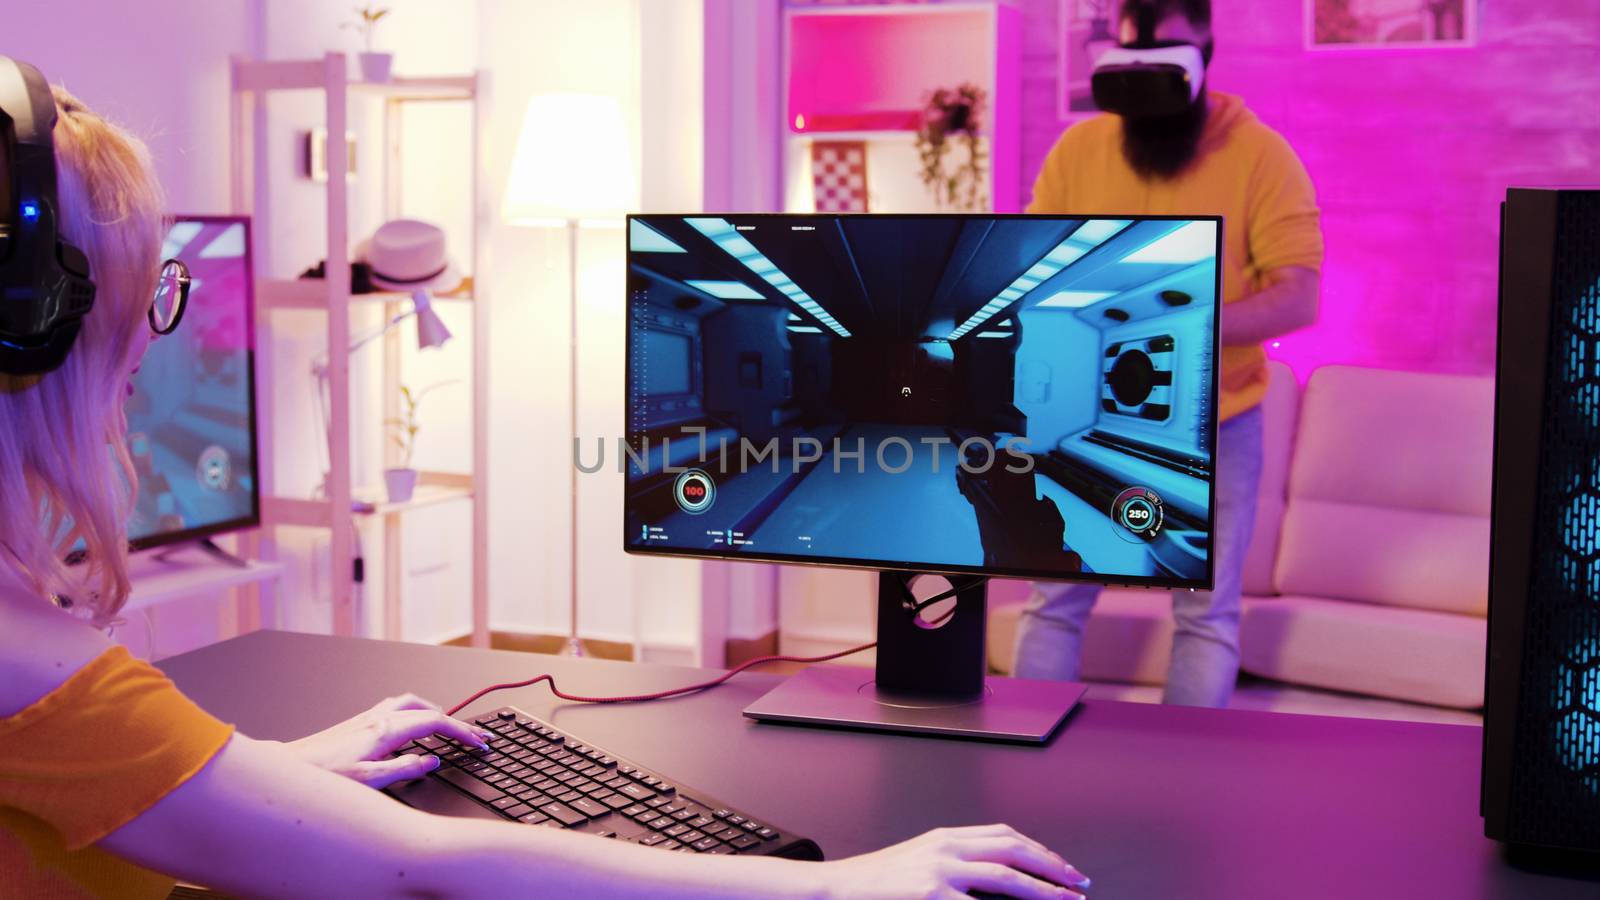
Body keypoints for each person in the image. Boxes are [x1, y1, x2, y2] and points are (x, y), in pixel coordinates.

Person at [0, 81, 1092, 899]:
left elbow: (105, 791)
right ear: (31, 322)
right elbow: (416, 868)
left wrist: (265, 771)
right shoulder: (38, 667)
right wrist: (833, 883)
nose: (154, 332)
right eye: (146, 297)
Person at [1013, 0, 1324, 708]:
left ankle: (1193, 788)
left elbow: (1299, 299)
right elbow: (1033, 272)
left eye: (1167, 54)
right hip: (1081, 419)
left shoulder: (1260, 155)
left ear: (1205, 48)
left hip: (1216, 422)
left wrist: (1169, 327)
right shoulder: (1077, 153)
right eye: (1132, 54)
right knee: (1055, 598)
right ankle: (1021, 773)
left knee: (1205, 613)